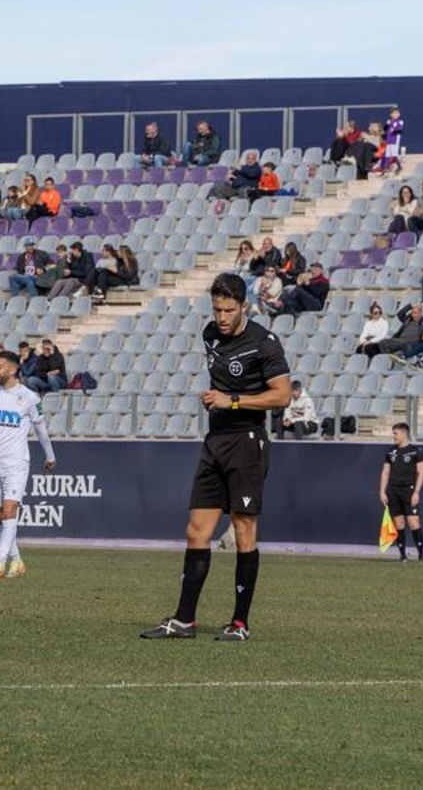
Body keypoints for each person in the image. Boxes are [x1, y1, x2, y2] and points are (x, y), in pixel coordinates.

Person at [142, 273, 291, 642]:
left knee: (243, 530)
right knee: (196, 530)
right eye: (217, 309)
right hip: (216, 440)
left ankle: (239, 623)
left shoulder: (264, 343)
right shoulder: (209, 334)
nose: (222, 317)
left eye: (229, 310)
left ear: (244, 306)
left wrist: (233, 400)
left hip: (247, 441)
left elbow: (282, 396)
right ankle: (184, 620)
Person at [0, 350, 56, 579]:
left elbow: (41, 429)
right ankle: (17, 561)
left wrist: (50, 456)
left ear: (13, 369)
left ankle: (0, 562)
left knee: (9, 510)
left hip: (16, 463)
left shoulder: (29, 398)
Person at [378, 424, 423, 562]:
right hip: (393, 490)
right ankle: (402, 555)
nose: (393, 436)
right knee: (398, 523)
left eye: (395, 433)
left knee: (413, 521)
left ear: (404, 434)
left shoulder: (415, 451)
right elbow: (385, 472)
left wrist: (416, 492)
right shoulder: (390, 452)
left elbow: (421, 472)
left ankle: (421, 554)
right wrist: (382, 491)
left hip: (409, 490)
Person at [374, 107, 404, 175]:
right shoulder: (390, 121)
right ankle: (384, 169)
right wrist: (385, 128)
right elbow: (385, 129)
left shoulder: (400, 122)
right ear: (391, 114)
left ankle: (399, 167)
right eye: (394, 113)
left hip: (394, 140)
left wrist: (391, 132)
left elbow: (399, 131)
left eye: (397, 113)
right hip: (389, 140)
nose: (396, 114)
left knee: (394, 154)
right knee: (387, 154)